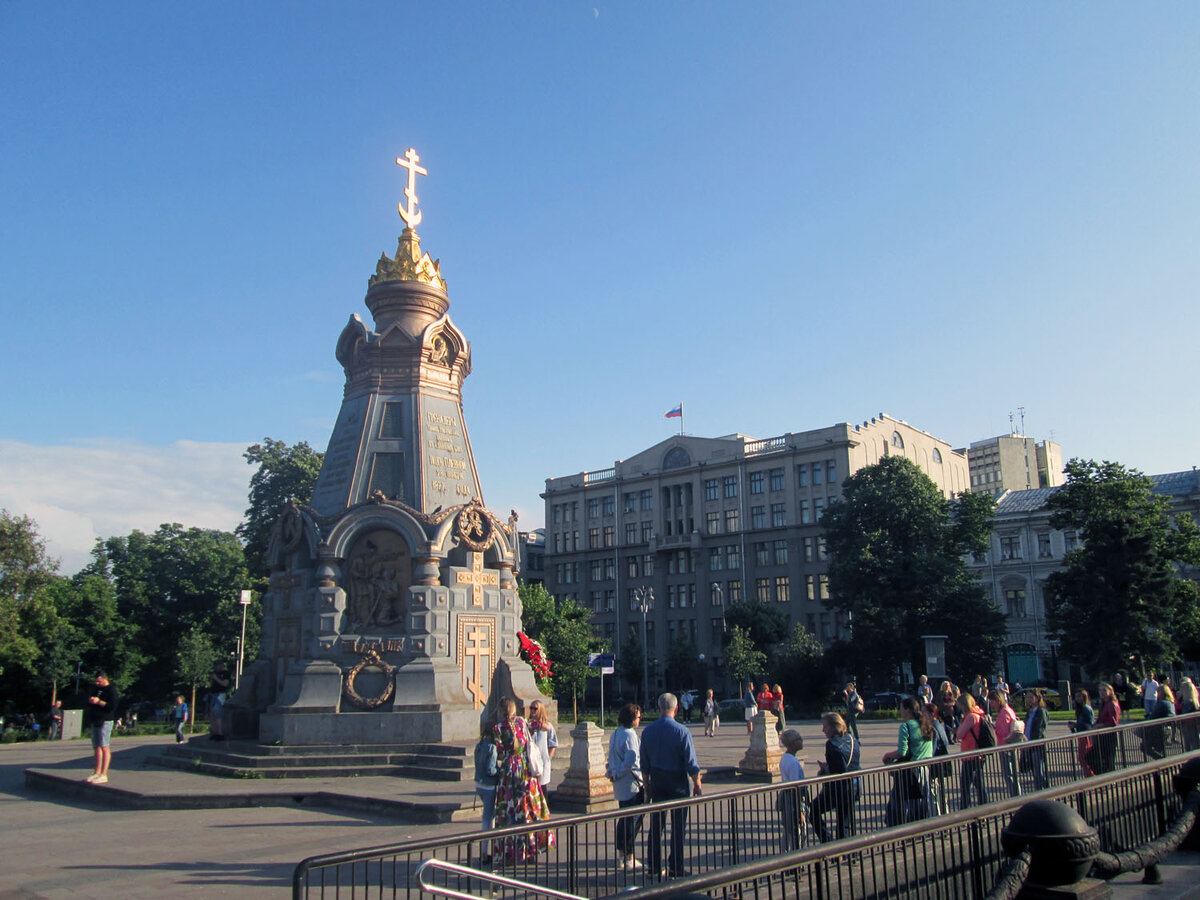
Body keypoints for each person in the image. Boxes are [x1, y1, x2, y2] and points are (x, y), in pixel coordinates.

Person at [641, 692, 702, 878]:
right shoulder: (682, 731)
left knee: (656, 825)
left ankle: (653, 867)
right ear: (676, 708)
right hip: (678, 781)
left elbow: (644, 763)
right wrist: (697, 783)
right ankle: (675, 866)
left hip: (657, 780)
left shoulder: (648, 731)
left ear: (659, 708)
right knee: (678, 827)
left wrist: (647, 786)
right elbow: (691, 762)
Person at [492, 698, 554, 862]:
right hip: (525, 771)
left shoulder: (498, 729)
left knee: (509, 812)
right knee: (528, 809)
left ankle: (510, 851)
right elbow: (545, 727)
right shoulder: (521, 722)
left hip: (509, 773)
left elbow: (499, 752)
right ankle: (531, 848)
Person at [882, 697, 933, 825]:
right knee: (921, 801)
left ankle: (899, 828)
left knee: (901, 802)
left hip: (910, 770)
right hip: (924, 767)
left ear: (907, 710)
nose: (899, 710)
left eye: (901, 707)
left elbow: (902, 751)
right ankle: (921, 828)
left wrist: (888, 755)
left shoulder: (905, 726)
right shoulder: (925, 723)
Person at [811, 712, 861, 842]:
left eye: (825, 726)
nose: (823, 730)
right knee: (844, 822)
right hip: (854, 785)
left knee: (813, 810)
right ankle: (849, 855)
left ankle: (827, 842)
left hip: (838, 789)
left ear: (834, 727)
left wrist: (824, 770)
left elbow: (837, 772)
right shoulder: (852, 739)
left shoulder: (831, 744)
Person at [606, 703, 645, 871]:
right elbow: (631, 761)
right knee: (633, 820)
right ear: (632, 718)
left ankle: (622, 854)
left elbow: (612, 756)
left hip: (620, 782)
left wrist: (611, 772)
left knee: (624, 819)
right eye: (638, 717)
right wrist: (618, 773)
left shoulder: (616, 733)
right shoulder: (630, 735)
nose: (640, 719)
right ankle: (629, 856)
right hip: (631, 782)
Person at [83, 673, 119, 784]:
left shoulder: (111, 690)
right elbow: (88, 700)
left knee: (104, 746)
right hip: (95, 719)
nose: (97, 683)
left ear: (105, 679)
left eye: (99, 681)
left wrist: (99, 702)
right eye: (96, 681)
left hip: (105, 720)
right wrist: (91, 700)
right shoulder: (96, 689)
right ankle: (96, 772)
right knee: (97, 747)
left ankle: (104, 774)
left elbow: (112, 706)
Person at [955, 693, 989, 809]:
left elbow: (959, 735)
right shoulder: (978, 714)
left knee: (966, 786)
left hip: (970, 754)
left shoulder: (971, 717)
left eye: (960, 705)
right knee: (979, 785)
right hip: (976, 754)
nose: (959, 708)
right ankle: (984, 808)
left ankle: (965, 810)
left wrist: (959, 727)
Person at [473, 717, 499, 865]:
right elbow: (491, 770)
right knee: (488, 818)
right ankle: (485, 852)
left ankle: (490, 850)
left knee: (490, 817)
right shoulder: (492, 748)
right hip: (489, 785)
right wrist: (501, 771)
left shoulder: (480, 745)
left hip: (479, 783)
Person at [989, 690, 1022, 798]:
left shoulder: (1003, 712)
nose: (991, 704)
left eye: (992, 701)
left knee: (1009, 773)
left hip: (1005, 745)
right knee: (1012, 773)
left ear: (997, 701)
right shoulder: (1009, 710)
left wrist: (993, 728)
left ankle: (1014, 795)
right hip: (1010, 744)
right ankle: (1016, 794)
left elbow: (1003, 732)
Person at [778, 728, 806, 851]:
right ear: (792, 743)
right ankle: (797, 857)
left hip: (786, 795)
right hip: (794, 799)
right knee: (798, 831)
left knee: (787, 830)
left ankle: (785, 853)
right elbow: (796, 786)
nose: (801, 741)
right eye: (799, 739)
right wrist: (800, 810)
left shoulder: (786, 758)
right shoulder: (794, 763)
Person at [925, 702, 953, 814]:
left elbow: (932, 749)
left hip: (935, 764)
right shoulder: (940, 725)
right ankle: (945, 815)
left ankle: (936, 818)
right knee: (941, 793)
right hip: (943, 762)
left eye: (924, 712)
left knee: (933, 794)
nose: (922, 715)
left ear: (931, 714)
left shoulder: (933, 728)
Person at [527, 700, 558, 791]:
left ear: (540, 710)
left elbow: (553, 743)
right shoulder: (528, 725)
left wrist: (549, 756)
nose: (532, 710)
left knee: (542, 786)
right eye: (531, 708)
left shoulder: (547, 725)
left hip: (543, 758)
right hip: (531, 759)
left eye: (535, 708)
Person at [1024, 689, 1049, 791]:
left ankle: (1044, 791)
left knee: (1040, 770)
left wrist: (1032, 742)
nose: (1029, 700)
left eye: (1031, 697)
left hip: (1037, 744)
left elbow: (1039, 729)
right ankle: (1039, 790)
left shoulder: (1041, 711)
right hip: (1028, 743)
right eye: (1027, 697)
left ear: (1037, 698)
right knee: (1034, 770)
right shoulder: (1029, 712)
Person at [1094, 681, 1122, 774]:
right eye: (1100, 690)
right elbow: (1100, 718)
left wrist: (1100, 725)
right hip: (1101, 735)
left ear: (1110, 691)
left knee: (1108, 760)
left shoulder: (1112, 704)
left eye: (1104, 690)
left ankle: (1111, 780)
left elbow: (1113, 722)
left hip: (1109, 735)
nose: (1101, 692)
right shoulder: (1103, 704)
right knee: (1095, 758)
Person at [1143, 683, 1176, 760]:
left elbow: (1153, 716)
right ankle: (1163, 765)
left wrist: (1149, 717)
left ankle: (1163, 762)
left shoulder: (1162, 703)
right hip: (1166, 728)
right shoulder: (1170, 702)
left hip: (1159, 730)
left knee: (1145, 747)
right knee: (1160, 749)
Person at [1070, 689, 1096, 776]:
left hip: (1086, 735)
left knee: (1084, 757)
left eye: (1079, 696)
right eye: (1076, 697)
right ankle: (1088, 774)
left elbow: (1089, 724)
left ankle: (1090, 775)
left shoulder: (1086, 708)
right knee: (1082, 757)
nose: (1077, 699)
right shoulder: (1080, 708)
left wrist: (1076, 726)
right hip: (1081, 734)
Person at [208, 663, 230, 741]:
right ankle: (215, 732)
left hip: (220, 694)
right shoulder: (215, 673)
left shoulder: (225, 674)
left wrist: (216, 678)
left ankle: (220, 733)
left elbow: (225, 684)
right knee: (212, 714)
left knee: (218, 713)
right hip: (213, 694)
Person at [1179, 678, 1200, 752]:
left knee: (1190, 744)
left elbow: (1185, 716)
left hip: (1189, 725)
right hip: (1196, 724)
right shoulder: (1196, 702)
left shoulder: (1186, 703)